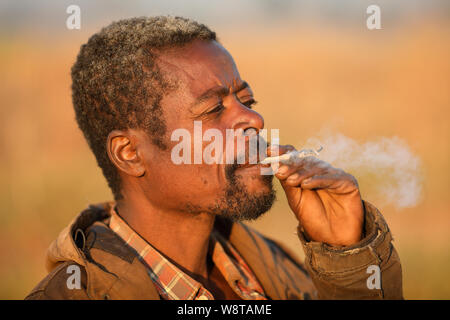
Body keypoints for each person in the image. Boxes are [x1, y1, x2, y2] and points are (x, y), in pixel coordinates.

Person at [26, 16, 402, 300]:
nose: (253, 119)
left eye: (247, 100)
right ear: (130, 153)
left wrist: (346, 258)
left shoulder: (275, 269)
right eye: (211, 110)